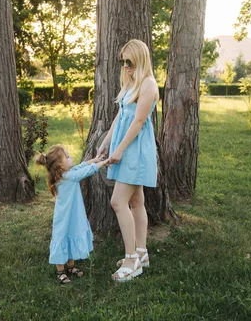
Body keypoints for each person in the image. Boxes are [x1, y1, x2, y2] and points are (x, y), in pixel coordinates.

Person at [97, 39, 159, 283]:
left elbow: (138, 121)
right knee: (136, 200)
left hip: (136, 151)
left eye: (130, 62)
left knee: (117, 202)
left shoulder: (149, 84)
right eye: (123, 62)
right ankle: (142, 252)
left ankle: (132, 259)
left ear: (140, 60)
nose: (126, 67)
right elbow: (120, 117)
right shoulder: (131, 84)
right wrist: (107, 142)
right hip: (125, 148)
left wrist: (120, 150)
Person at [36, 145, 109, 284]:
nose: (71, 157)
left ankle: (70, 267)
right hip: (64, 218)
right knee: (62, 237)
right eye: (68, 156)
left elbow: (81, 166)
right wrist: (103, 162)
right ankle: (60, 271)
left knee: (70, 237)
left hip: (72, 215)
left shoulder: (66, 174)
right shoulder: (68, 177)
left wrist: (95, 159)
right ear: (60, 166)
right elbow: (86, 171)